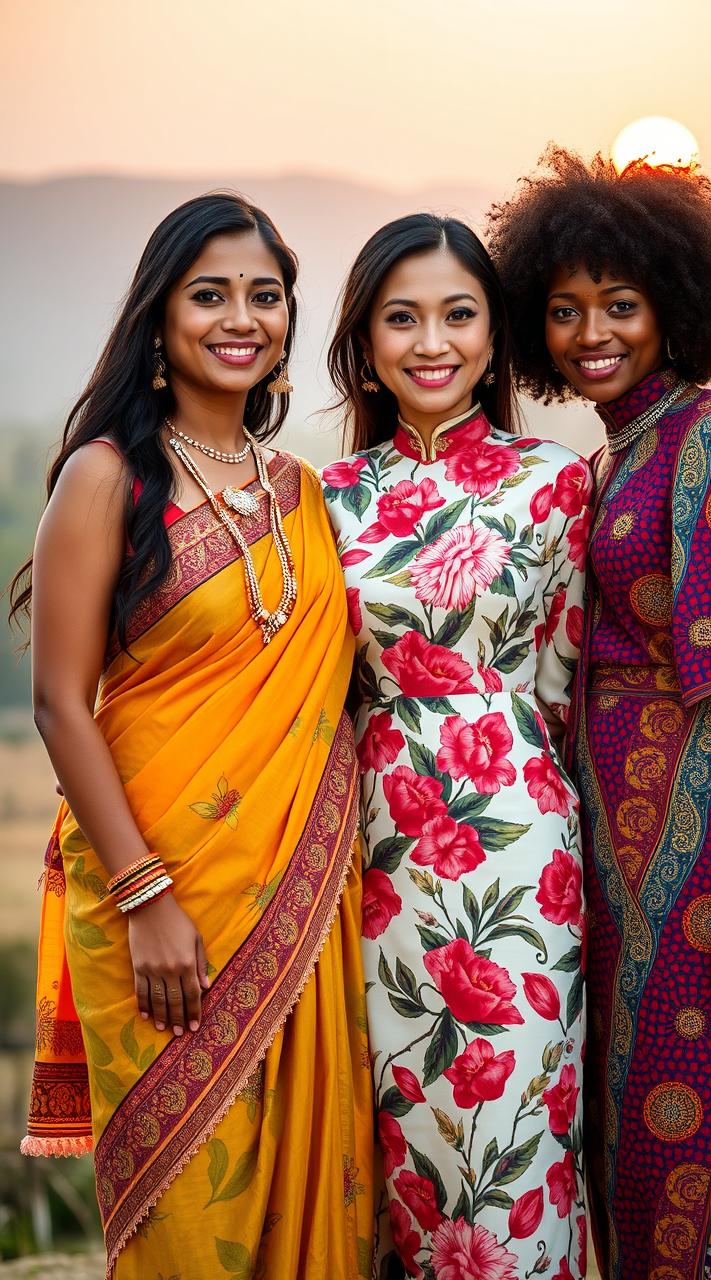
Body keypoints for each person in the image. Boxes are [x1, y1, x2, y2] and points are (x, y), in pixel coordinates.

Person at [10, 193, 373, 1279]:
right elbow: (59, 702)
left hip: (307, 892)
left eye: (265, 295)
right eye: (209, 293)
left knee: (315, 1190)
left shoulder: (303, 491)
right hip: (159, 898)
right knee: (190, 1208)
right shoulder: (106, 477)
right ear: (159, 316)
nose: (241, 317)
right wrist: (144, 893)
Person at [487, 145, 711, 1279]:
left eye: (620, 305)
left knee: (690, 1123)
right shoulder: (617, 453)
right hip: (607, 843)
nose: (593, 330)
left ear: (675, 306)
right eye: (566, 307)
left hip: (699, 848)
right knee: (627, 1131)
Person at [323, 213, 592, 1280]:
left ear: (494, 336)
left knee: (515, 1140)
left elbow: (567, 684)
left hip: (522, 852)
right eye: (402, 318)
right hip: (372, 859)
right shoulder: (323, 501)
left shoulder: (557, 481)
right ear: (366, 344)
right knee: (402, 1142)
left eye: (457, 314)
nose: (431, 341)